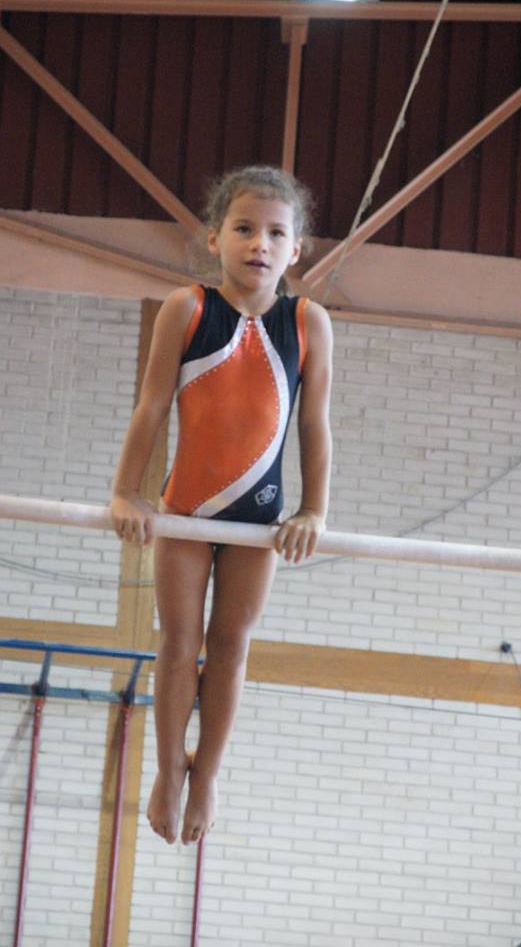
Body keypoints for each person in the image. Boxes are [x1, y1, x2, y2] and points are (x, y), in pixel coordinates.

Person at [110, 165, 333, 846]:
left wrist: (313, 511)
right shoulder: (188, 309)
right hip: (185, 512)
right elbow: (151, 406)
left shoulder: (308, 322)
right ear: (214, 238)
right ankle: (166, 772)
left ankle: (206, 773)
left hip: (260, 523)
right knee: (179, 642)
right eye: (244, 228)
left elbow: (314, 424)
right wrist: (126, 491)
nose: (259, 243)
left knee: (231, 647)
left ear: (296, 249)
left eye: (276, 233)